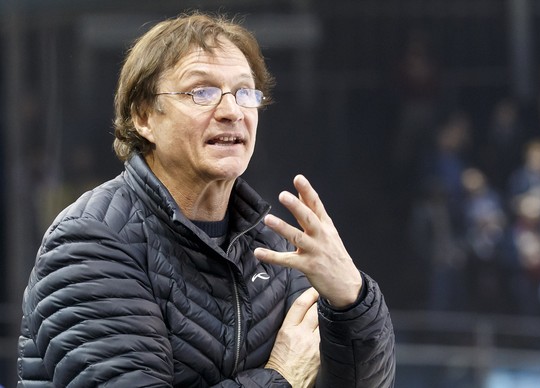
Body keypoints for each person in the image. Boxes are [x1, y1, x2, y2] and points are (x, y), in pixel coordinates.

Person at [17, 11, 396, 388]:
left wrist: (352, 300)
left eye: (245, 92)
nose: (232, 111)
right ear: (144, 116)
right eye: (202, 92)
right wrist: (280, 377)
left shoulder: (274, 247)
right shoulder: (91, 242)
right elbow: (294, 371)